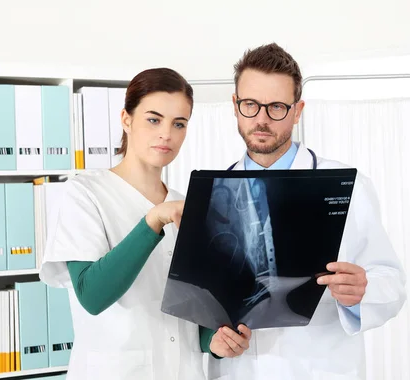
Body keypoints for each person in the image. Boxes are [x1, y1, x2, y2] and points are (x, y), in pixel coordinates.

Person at [205, 43, 407, 380]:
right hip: (239, 371)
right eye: (251, 105)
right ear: (235, 105)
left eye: (277, 107)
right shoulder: (211, 194)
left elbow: (393, 284)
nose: (262, 119)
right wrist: (213, 341)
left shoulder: (347, 186)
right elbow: (200, 302)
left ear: (297, 111)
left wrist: (362, 290)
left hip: (319, 368)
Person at [39, 67, 251, 380]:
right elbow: (92, 296)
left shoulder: (190, 204)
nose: (166, 133)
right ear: (127, 119)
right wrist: (153, 220)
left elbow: (192, 315)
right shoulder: (84, 193)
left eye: (178, 124)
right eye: (154, 119)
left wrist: (214, 342)